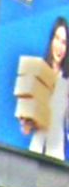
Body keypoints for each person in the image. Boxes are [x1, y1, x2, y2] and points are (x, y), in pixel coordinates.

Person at [20, 17, 69, 161]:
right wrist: (26, 120)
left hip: (56, 155)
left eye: (64, 42)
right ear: (51, 40)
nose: (60, 47)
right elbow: (26, 130)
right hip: (35, 151)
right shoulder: (37, 74)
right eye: (57, 39)